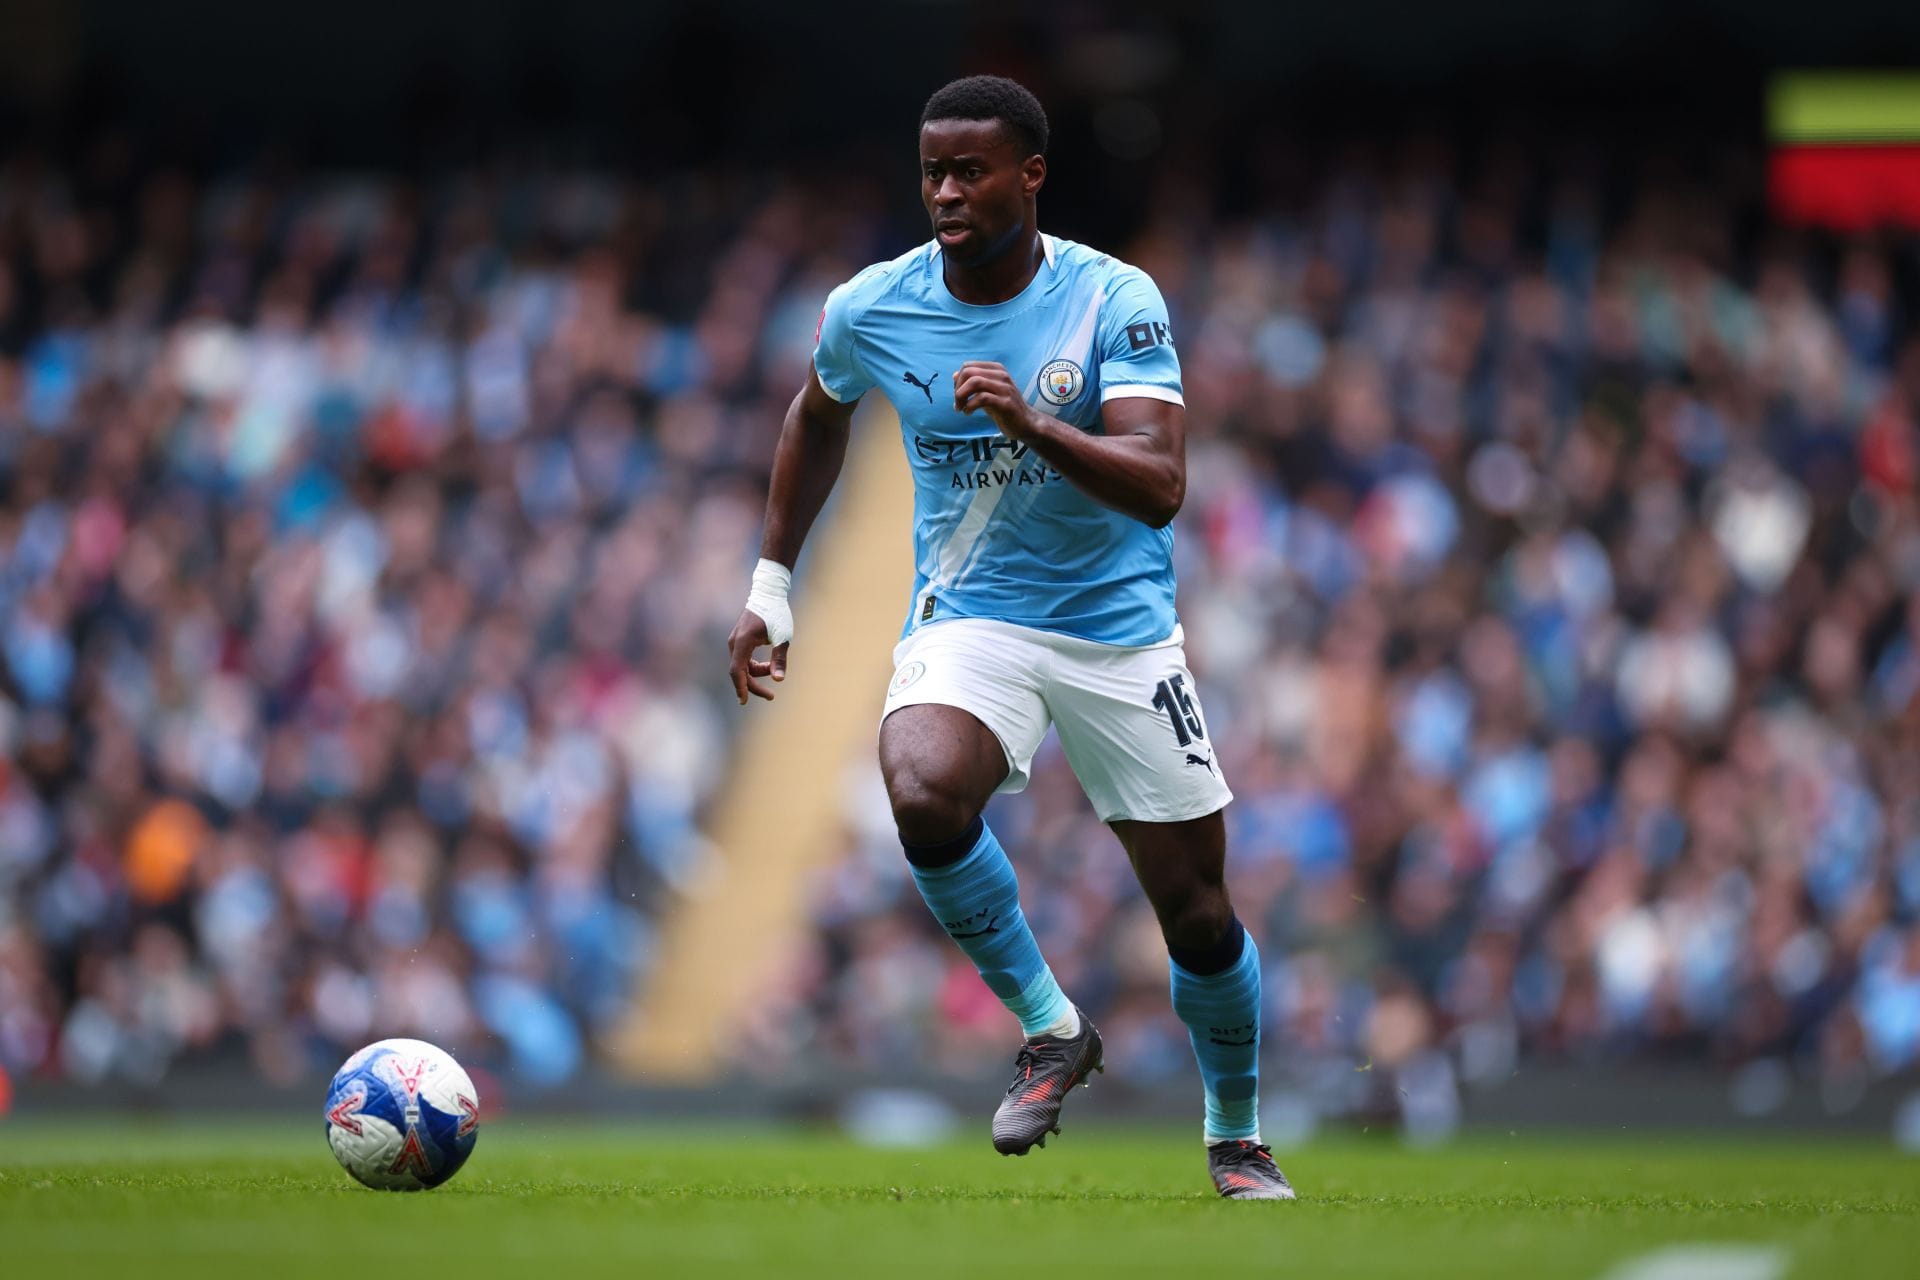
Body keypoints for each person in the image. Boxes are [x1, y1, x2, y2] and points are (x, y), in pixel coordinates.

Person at [726, 75, 1293, 1201]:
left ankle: (1235, 1133)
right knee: (920, 784)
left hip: (1119, 632)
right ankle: (1050, 1028)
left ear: (1030, 175)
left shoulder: (1112, 298)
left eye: (970, 171)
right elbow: (816, 415)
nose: (945, 192)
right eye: (932, 172)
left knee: (1196, 912)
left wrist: (1032, 420)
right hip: (974, 615)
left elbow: (1162, 482)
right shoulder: (873, 306)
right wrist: (772, 582)